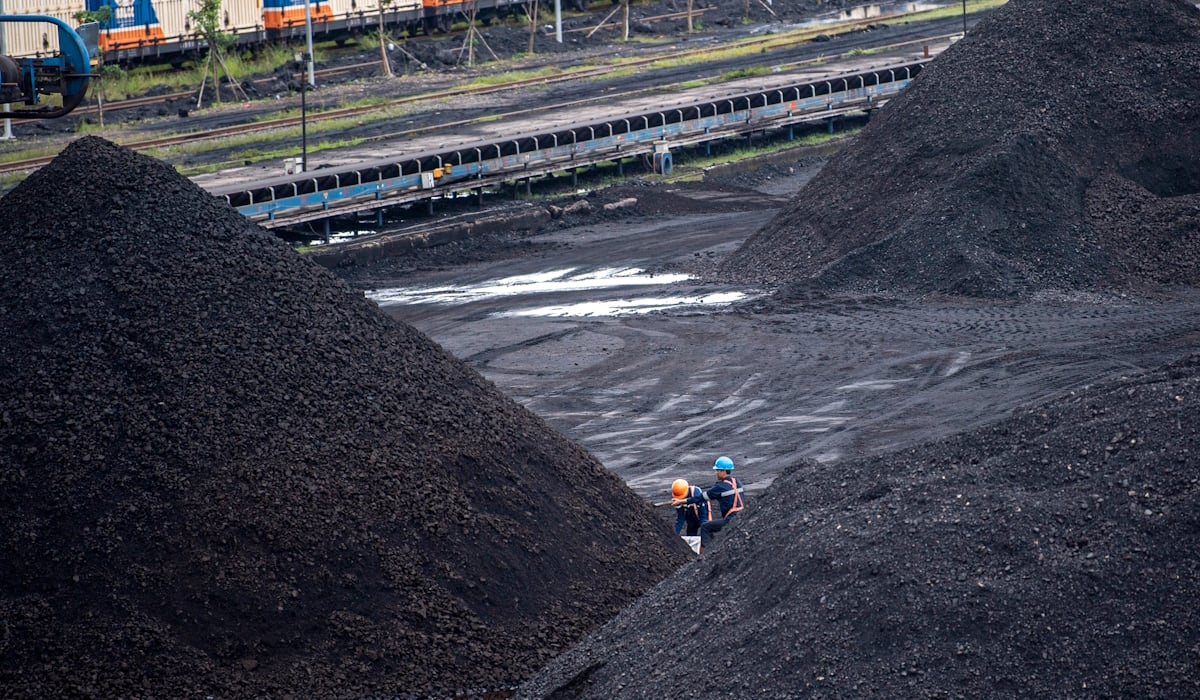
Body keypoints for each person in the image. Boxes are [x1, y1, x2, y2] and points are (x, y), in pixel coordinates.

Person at [672, 455, 745, 553]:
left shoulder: (720, 487)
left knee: (706, 527)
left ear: (723, 471)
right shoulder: (738, 482)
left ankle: (705, 556)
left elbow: (701, 498)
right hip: (743, 517)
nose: (716, 473)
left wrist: (682, 501)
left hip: (730, 519)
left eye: (717, 470)